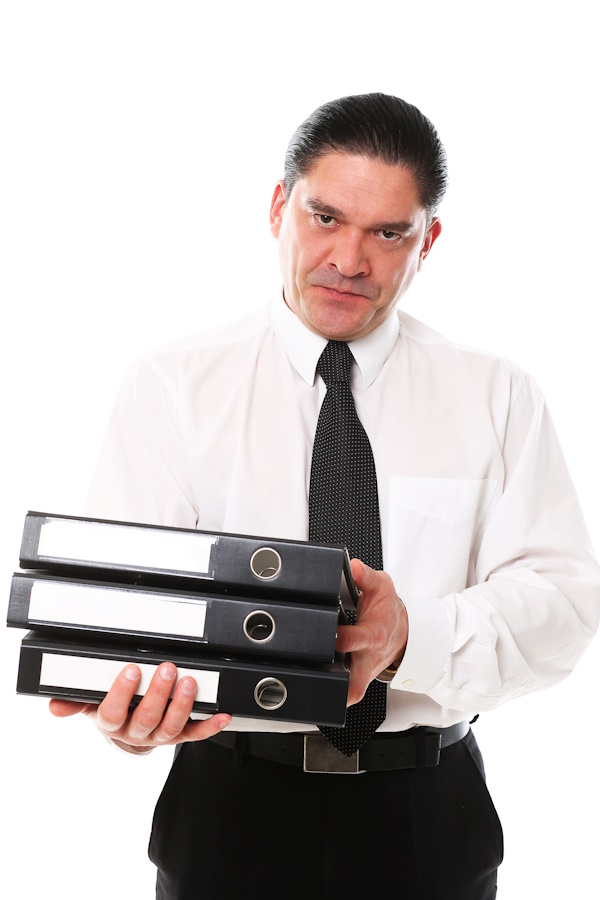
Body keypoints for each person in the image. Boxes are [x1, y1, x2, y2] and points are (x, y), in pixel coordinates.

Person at [50, 93, 600, 899]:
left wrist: (412, 634)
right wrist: (132, 717)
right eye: (325, 217)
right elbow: (128, 617)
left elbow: (562, 610)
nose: (349, 259)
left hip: (428, 815)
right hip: (228, 809)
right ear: (279, 207)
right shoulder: (172, 386)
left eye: (388, 233)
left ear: (428, 242)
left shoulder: (498, 394)